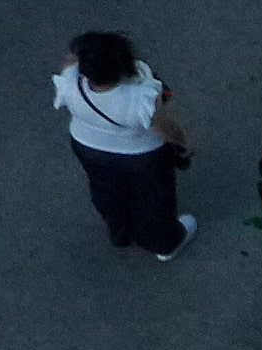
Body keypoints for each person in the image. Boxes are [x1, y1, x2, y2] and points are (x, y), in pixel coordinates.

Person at [52, 30, 196, 259]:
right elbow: (163, 129)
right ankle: (165, 242)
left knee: (106, 190)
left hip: (87, 147)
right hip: (141, 157)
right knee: (153, 199)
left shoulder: (70, 82)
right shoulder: (141, 96)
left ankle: (119, 232)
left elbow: (69, 60)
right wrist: (183, 143)